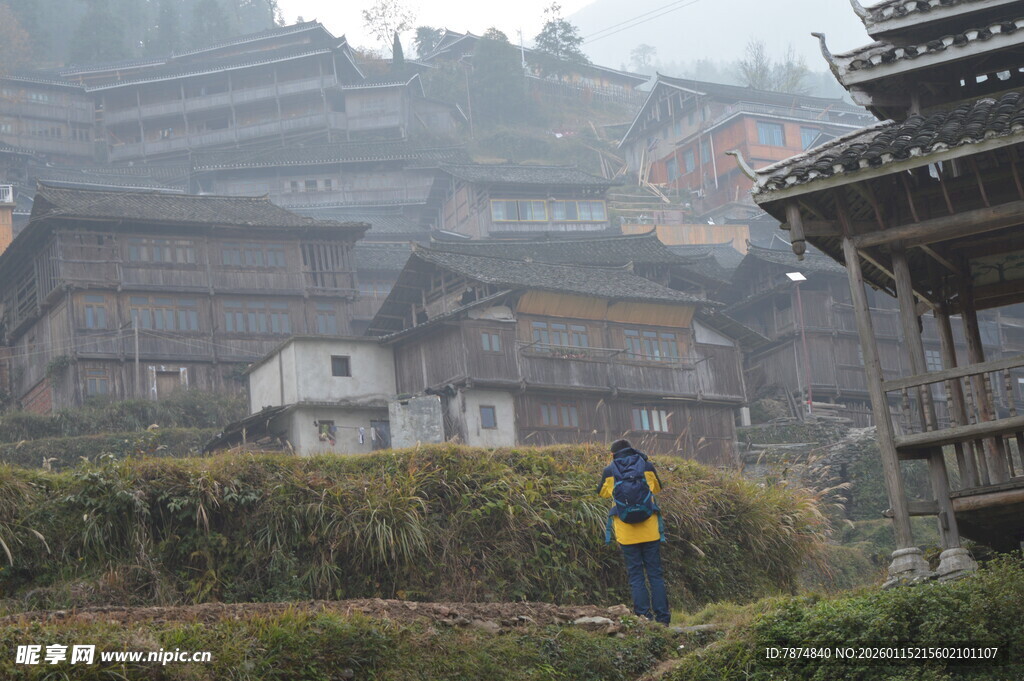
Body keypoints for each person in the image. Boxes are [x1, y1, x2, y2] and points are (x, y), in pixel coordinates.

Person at [598, 438, 670, 624]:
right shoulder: (646, 465)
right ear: (632, 450)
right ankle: (663, 620)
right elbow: (657, 487)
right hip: (650, 529)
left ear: (613, 454)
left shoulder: (610, 470)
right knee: (655, 574)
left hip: (626, 532)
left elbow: (602, 493)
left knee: (636, 575)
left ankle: (644, 618)